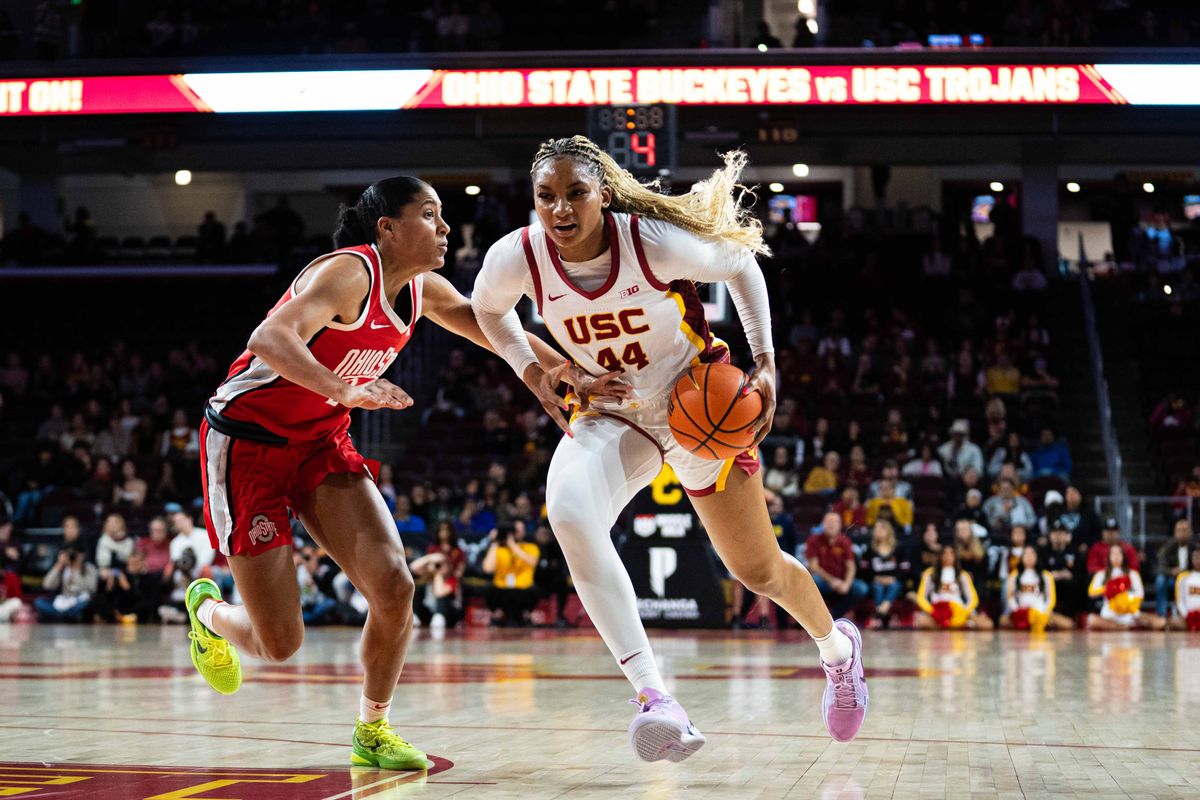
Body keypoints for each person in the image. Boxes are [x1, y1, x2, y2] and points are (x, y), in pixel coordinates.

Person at [185, 176, 607, 771]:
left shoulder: (420, 289)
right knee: (279, 643)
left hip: (319, 441)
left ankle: (373, 729)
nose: (445, 228)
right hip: (248, 443)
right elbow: (269, 337)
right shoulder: (348, 273)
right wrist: (342, 389)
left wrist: (564, 370)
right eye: (430, 215)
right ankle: (207, 614)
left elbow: (491, 327)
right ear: (387, 228)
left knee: (394, 587)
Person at [470, 136, 869, 760]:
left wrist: (765, 361)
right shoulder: (516, 256)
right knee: (569, 513)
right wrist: (537, 372)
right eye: (546, 196)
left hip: (695, 404)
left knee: (758, 572)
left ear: (603, 194)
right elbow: (488, 311)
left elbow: (741, 265)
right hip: (616, 411)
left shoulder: (649, 242)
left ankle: (838, 651)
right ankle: (656, 699)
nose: (561, 209)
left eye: (576, 193)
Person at [807, 512, 870, 619]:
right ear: (823, 524)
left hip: (841, 580)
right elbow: (814, 566)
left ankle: (833, 616)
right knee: (813, 582)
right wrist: (832, 581)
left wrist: (846, 584)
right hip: (823, 580)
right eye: (828, 521)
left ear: (840, 525)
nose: (831, 524)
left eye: (835, 521)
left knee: (861, 588)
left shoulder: (845, 541)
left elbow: (851, 566)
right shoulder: (814, 540)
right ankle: (815, 617)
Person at [1087, 543, 1164, 630]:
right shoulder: (1101, 574)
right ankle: (1123, 627)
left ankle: (1126, 625)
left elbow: (1140, 594)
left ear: (1123, 556)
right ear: (1108, 557)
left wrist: (1126, 599)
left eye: (1119, 553)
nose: (1116, 556)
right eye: (1113, 553)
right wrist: (1109, 589)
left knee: (1160, 622)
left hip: (1129, 611)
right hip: (1109, 614)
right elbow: (1091, 593)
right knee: (1091, 619)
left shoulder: (1133, 573)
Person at [914, 545, 992, 630]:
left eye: (951, 553)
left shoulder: (962, 574)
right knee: (922, 622)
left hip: (958, 610)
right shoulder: (929, 574)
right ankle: (958, 625)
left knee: (987, 624)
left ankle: (950, 625)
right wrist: (932, 611)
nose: (948, 556)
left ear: (955, 556)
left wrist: (964, 611)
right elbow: (921, 597)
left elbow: (973, 599)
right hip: (937, 610)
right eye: (945, 553)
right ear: (940, 556)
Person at [999, 545, 1074, 631]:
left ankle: (1040, 624)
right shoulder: (1013, 576)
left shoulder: (1046, 576)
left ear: (1037, 557)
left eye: (1032, 554)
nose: (1029, 557)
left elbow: (1051, 599)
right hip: (1021, 612)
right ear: (1022, 557)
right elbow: (1010, 598)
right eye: (1026, 554)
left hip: (1041, 611)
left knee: (1068, 624)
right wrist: (1017, 610)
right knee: (1003, 621)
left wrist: (1043, 612)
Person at [482, 521, 540, 626]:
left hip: (523, 590)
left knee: (534, 590)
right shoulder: (498, 549)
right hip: (502, 589)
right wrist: (495, 543)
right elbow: (487, 569)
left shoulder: (531, 547)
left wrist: (512, 545)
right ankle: (497, 615)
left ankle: (525, 615)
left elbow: (532, 562)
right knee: (489, 589)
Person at [863, 520, 908, 628]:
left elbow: (905, 570)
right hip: (876, 581)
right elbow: (864, 570)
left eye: (881, 528)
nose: (878, 531)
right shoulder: (870, 549)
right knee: (878, 588)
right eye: (876, 528)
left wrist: (893, 578)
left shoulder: (898, 548)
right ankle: (883, 613)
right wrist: (876, 578)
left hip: (894, 581)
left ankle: (881, 611)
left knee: (894, 586)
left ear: (888, 531)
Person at [1154, 519, 1194, 619]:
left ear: (1190, 532)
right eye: (1179, 530)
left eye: (1185, 530)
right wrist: (1171, 571)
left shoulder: (1196, 547)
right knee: (1160, 580)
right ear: (1175, 533)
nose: (1182, 533)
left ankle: (1193, 612)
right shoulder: (1167, 547)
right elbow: (1160, 567)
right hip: (1173, 578)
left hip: (1191, 578)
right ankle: (1161, 614)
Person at [1169, 547, 1200, 631]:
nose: (1198, 560)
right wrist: (1188, 616)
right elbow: (1180, 601)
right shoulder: (1183, 577)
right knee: (1172, 621)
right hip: (1188, 617)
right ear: (1191, 558)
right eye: (1196, 557)